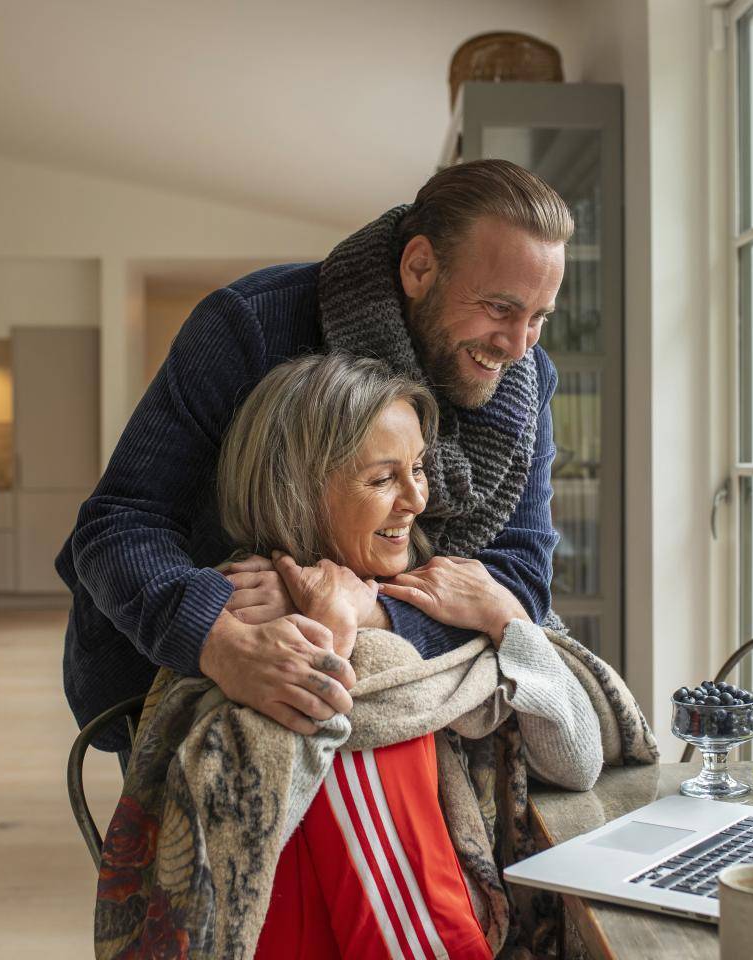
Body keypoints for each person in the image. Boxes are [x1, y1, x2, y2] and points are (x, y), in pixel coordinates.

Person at [94, 354, 611, 960]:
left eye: (419, 468)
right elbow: (252, 834)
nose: (417, 499)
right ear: (298, 492)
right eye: (383, 479)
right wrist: (337, 634)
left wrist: (507, 617)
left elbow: (577, 762)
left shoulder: (434, 602)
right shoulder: (293, 643)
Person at [58, 159, 571, 748]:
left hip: (399, 691)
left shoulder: (527, 377)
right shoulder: (250, 323)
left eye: (538, 318)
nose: (517, 346)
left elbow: (519, 583)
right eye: (500, 308)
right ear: (420, 266)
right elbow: (120, 520)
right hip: (188, 668)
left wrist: (355, 609)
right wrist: (221, 641)